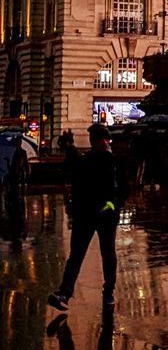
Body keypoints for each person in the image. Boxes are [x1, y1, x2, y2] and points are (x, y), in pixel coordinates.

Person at [48, 124, 121, 311]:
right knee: (80, 255)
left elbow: (120, 187)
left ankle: (107, 292)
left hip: (100, 215)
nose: (95, 143)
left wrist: (112, 204)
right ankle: (66, 292)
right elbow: (74, 172)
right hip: (88, 214)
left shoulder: (109, 160)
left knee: (105, 255)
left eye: (96, 139)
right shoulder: (93, 159)